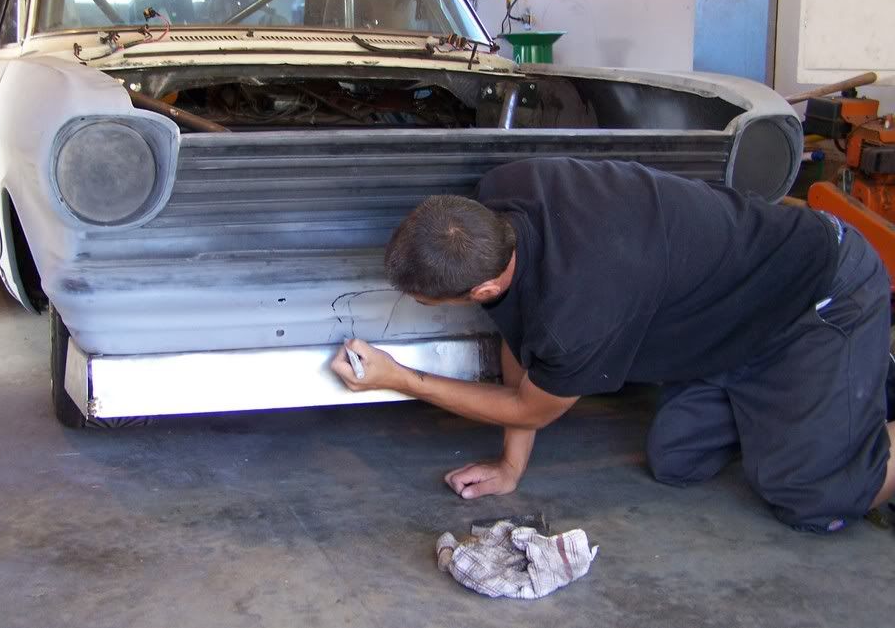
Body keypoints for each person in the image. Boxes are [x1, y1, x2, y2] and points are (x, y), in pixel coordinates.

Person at [329, 157, 895, 533]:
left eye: (431, 302)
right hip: (732, 321)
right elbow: (523, 335)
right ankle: (823, 408)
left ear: (483, 288)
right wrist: (509, 465)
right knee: (676, 460)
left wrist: (400, 378)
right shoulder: (505, 196)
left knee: (812, 496)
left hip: (816, 299)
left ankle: (856, 387)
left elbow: (530, 405)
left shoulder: (579, 314)